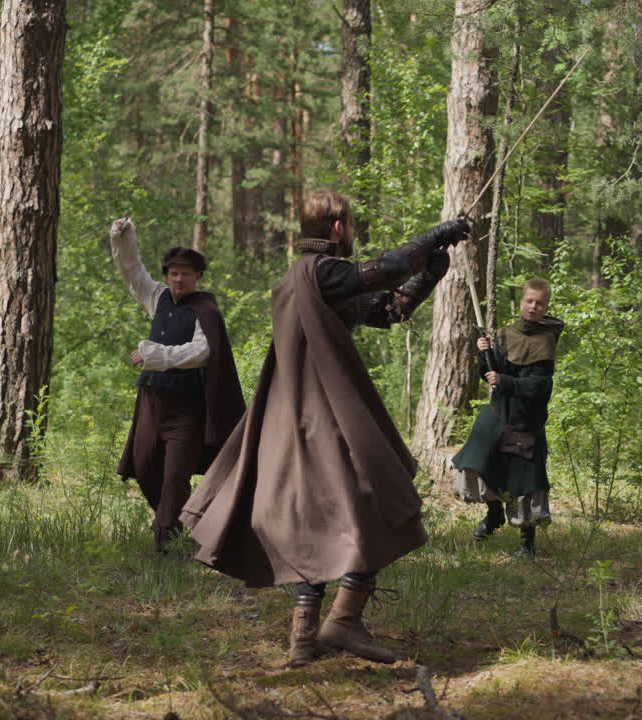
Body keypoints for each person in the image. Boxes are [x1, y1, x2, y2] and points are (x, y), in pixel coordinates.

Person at [179, 190, 468, 668]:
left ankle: (308, 637)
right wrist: (433, 236)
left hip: (307, 417)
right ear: (336, 228)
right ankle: (341, 623)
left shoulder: (316, 281)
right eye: (349, 224)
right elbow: (385, 270)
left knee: (322, 515)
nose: (352, 231)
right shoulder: (318, 272)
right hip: (318, 416)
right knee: (373, 500)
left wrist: (429, 274)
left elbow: (387, 308)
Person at [109, 217, 245, 553]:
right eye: (173, 273)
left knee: (175, 477)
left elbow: (201, 352)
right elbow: (132, 271)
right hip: (151, 402)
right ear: (167, 275)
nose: (179, 279)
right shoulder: (157, 297)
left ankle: (166, 540)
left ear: (198, 276)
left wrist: (153, 354)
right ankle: (175, 521)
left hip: (186, 408)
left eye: (185, 273)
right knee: (144, 467)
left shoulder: (205, 309)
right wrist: (123, 237)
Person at [451, 278, 563, 559]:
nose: (533, 306)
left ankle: (527, 543)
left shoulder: (546, 341)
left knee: (525, 481)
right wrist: (485, 354)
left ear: (546, 306)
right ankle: (494, 515)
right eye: (529, 301)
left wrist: (506, 381)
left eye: (540, 303)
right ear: (522, 302)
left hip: (527, 420)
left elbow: (540, 386)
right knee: (479, 460)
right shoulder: (504, 334)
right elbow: (490, 374)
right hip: (499, 412)